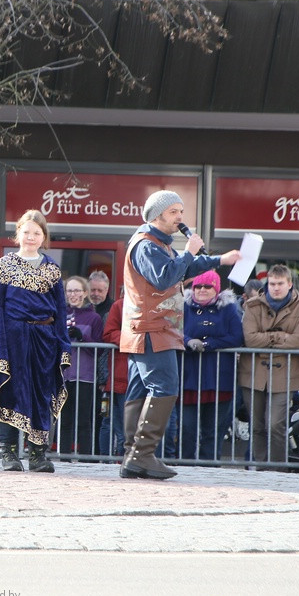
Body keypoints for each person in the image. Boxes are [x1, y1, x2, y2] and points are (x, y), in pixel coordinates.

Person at [120, 191, 240, 480]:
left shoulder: (158, 244)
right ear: (157, 215)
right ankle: (142, 455)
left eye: (180, 211)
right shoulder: (146, 246)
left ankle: (132, 455)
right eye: (174, 211)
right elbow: (165, 277)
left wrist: (219, 259)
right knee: (165, 388)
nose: (180, 217)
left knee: (139, 391)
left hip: (150, 328)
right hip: (152, 329)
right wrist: (189, 251)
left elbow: (183, 267)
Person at [0, 210, 71, 473]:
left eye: (37, 233)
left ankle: (38, 455)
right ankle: (8, 453)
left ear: (44, 237)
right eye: (26, 232)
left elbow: (60, 310)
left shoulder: (52, 269)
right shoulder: (3, 266)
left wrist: (62, 343)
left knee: (42, 394)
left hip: (44, 340)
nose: (31, 237)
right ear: (18, 234)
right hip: (12, 338)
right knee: (9, 391)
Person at [237, 263, 299, 468]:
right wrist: (280, 337)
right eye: (272, 283)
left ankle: (278, 469)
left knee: (275, 424)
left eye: (280, 283)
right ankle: (262, 467)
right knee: (257, 426)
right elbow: (250, 340)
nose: (276, 288)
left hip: (286, 373)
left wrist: (268, 339)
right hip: (253, 373)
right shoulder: (253, 305)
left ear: (289, 284)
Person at [178, 270, 243, 461]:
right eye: (198, 286)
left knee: (213, 429)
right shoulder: (184, 307)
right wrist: (189, 341)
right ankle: (185, 465)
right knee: (187, 428)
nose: (202, 290)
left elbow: (236, 337)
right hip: (189, 377)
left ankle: (209, 466)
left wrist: (209, 344)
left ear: (216, 288)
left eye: (208, 286)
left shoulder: (229, 309)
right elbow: (174, 331)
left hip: (218, 377)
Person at [59, 275, 104, 459]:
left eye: (77, 290)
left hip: (85, 375)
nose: (73, 294)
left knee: (84, 420)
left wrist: (82, 337)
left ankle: (86, 458)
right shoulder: (60, 313)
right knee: (65, 419)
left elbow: (99, 349)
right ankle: (64, 456)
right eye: (69, 290)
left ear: (85, 293)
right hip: (63, 375)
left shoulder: (94, 317)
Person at [99, 295, 128, 456]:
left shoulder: (153, 304)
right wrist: (131, 340)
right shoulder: (120, 306)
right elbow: (109, 333)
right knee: (115, 422)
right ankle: (110, 460)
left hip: (146, 376)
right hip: (120, 375)